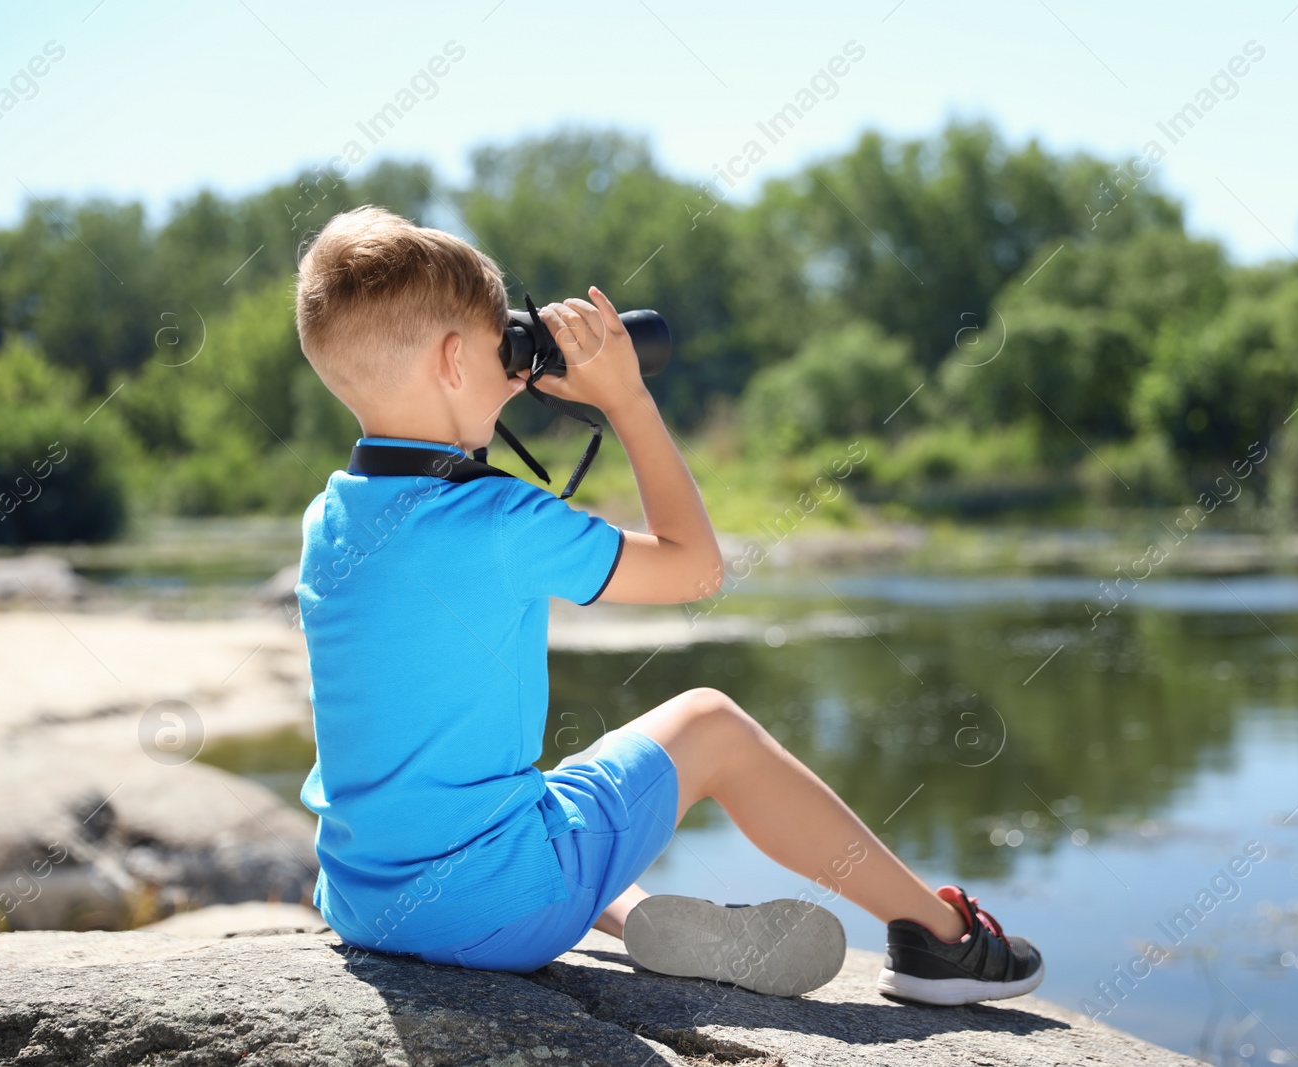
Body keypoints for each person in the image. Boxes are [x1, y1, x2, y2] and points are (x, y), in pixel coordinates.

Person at [291, 205, 1044, 1006]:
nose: (518, 370)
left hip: (364, 902)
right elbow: (697, 569)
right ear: (451, 361)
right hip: (497, 910)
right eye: (501, 346)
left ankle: (637, 913)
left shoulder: (329, 517)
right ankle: (938, 938)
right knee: (711, 719)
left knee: (519, 789)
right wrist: (626, 399)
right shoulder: (498, 520)